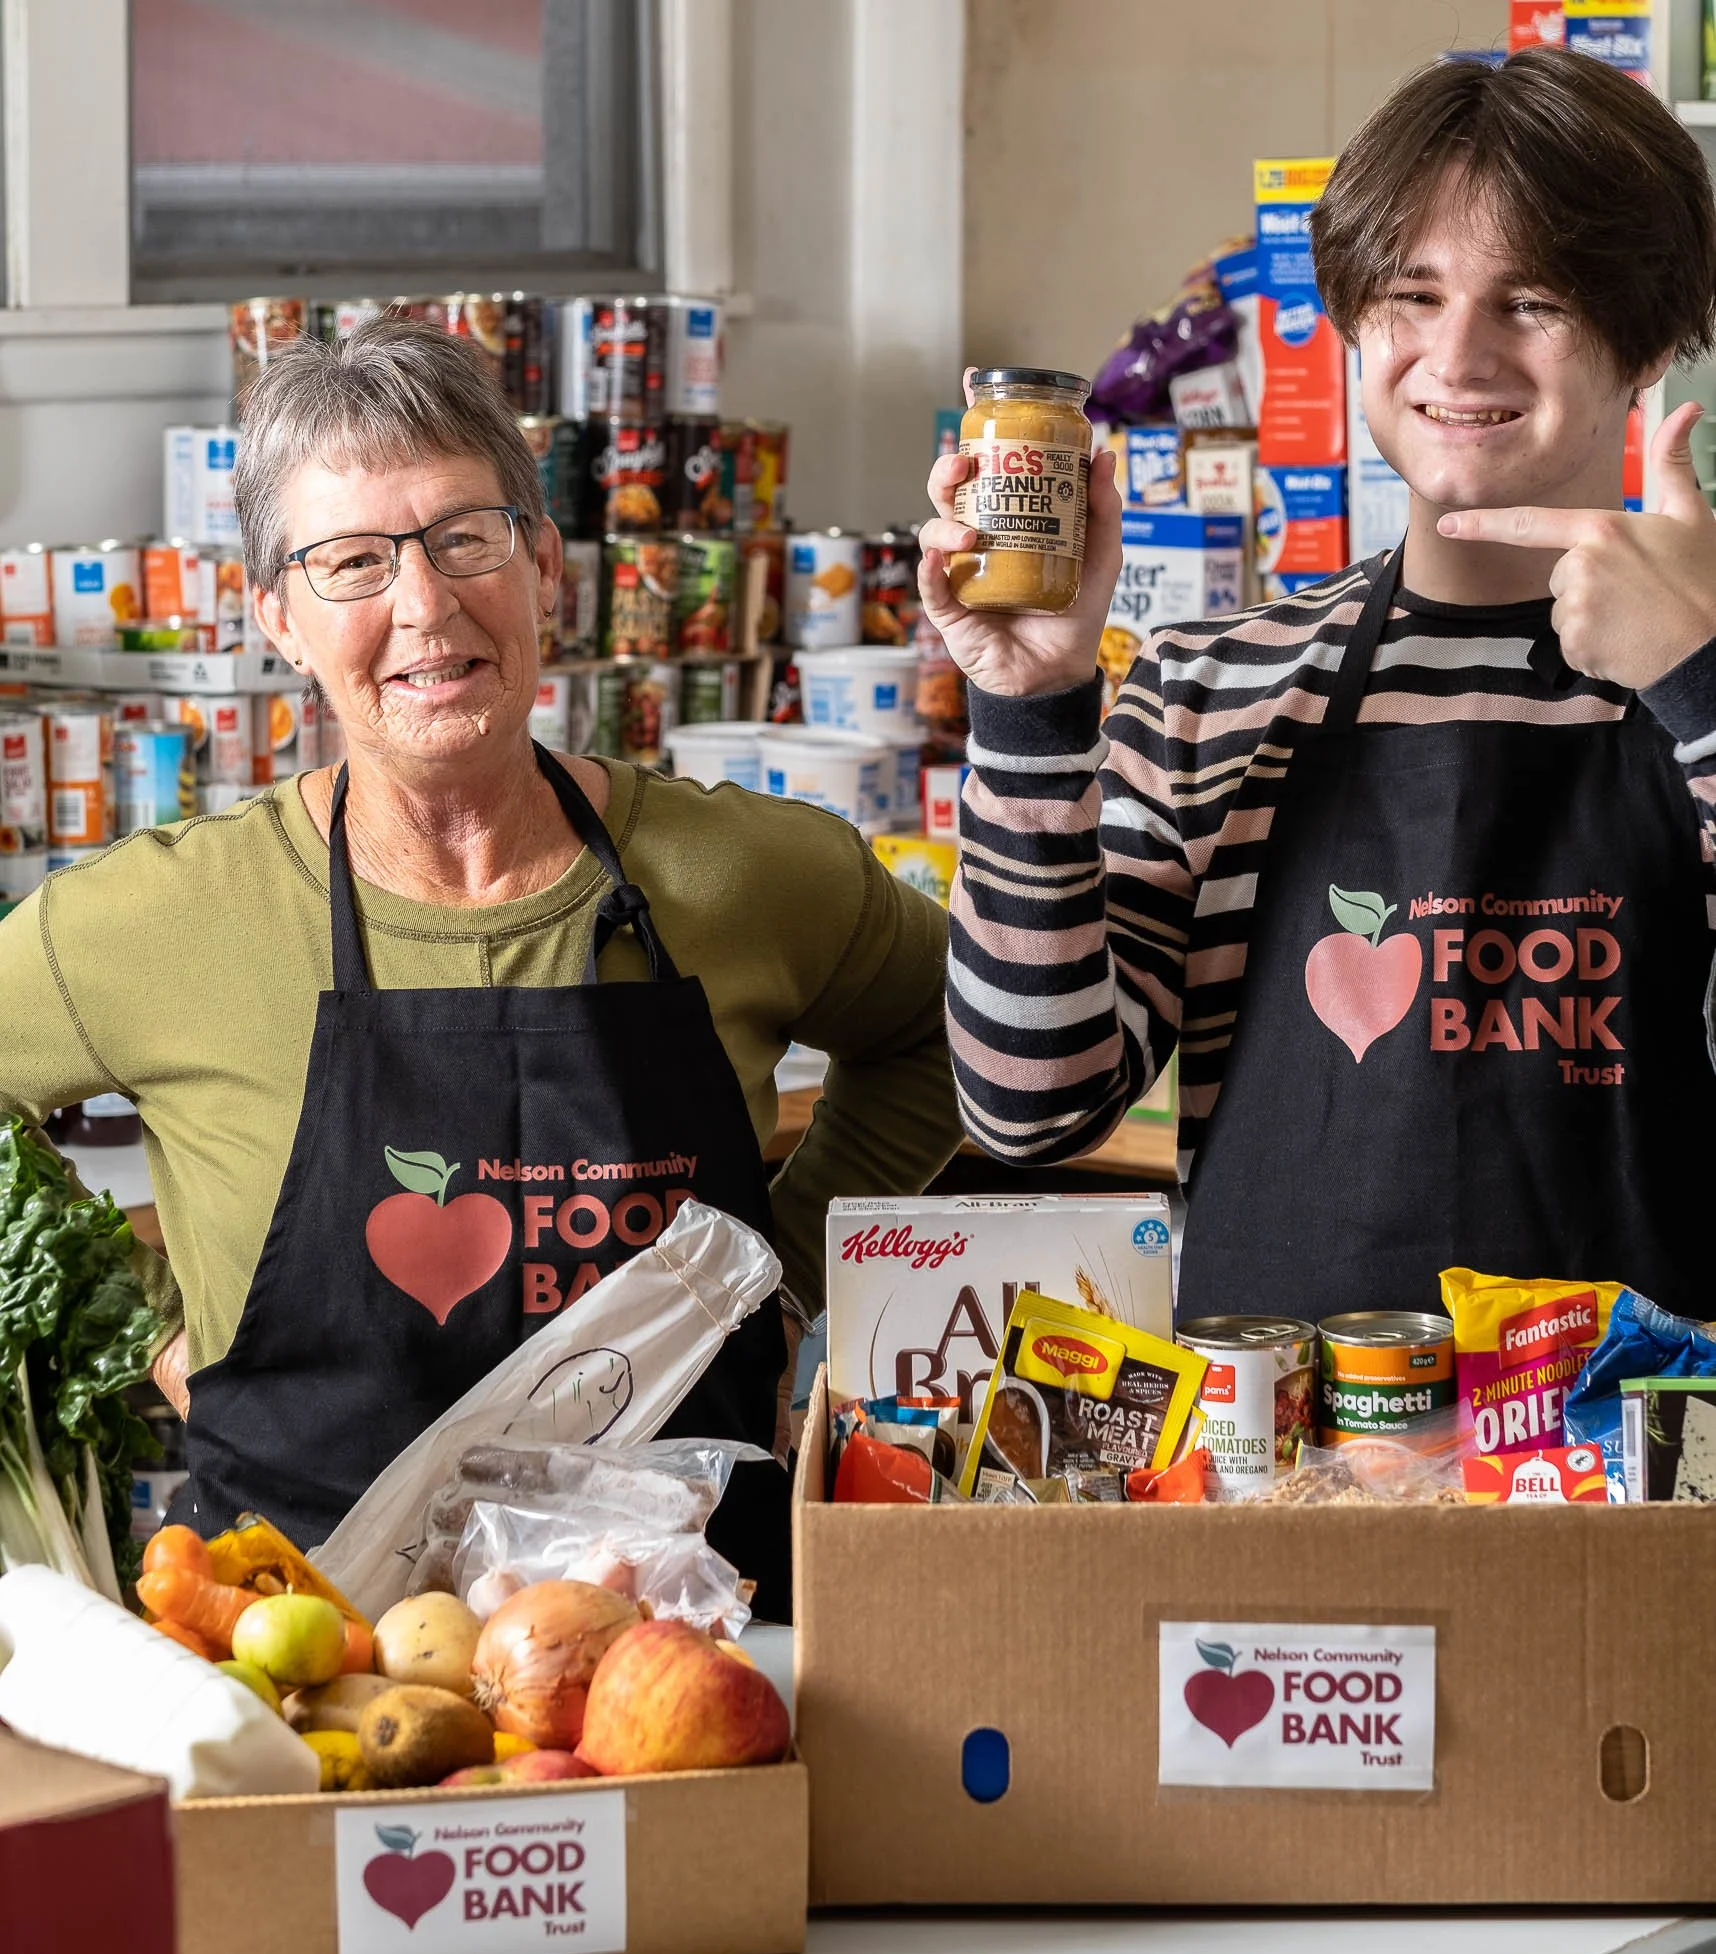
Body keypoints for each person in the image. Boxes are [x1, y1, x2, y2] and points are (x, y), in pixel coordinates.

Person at [0, 318, 962, 1611]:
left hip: (689, 1654)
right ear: (277, 618)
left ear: (547, 566)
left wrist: (775, 1284)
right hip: (307, 1676)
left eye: (467, 538)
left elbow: (952, 1025)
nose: (425, 606)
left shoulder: (749, 877)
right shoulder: (164, 922)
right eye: (352, 562)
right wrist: (144, 1329)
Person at [921, 47, 1716, 1323]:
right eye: (1412, 294)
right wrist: (1029, 704)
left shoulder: (1707, 692)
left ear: (1654, 340)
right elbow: (1030, 1108)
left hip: (1641, 1482)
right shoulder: (1209, 687)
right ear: (1349, 321)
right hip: (1286, 1478)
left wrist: (1700, 685)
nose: (1457, 356)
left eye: (1535, 301)